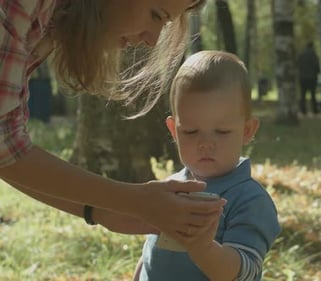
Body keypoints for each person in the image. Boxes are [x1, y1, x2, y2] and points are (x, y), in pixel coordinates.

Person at [0, 1, 226, 242]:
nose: (152, 39)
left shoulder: (46, 22)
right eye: (155, 14)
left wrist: (99, 210)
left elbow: (8, 151)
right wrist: (135, 201)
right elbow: (6, 146)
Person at [133, 50, 281, 280]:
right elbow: (151, 254)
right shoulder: (169, 188)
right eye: (191, 132)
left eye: (221, 132)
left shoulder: (249, 200)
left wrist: (203, 249)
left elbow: (246, 272)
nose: (205, 144)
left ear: (247, 131)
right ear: (174, 131)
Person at [297, 41, 320, 116]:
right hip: (312, 77)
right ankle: (315, 110)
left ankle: (303, 110)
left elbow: (297, 65)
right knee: (313, 95)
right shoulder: (314, 55)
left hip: (302, 77)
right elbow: (317, 66)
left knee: (303, 95)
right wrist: (317, 73)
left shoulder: (301, 55)